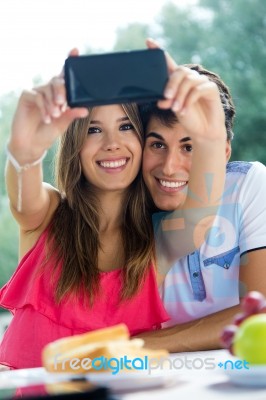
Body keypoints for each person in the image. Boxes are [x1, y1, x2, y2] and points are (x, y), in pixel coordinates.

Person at [0, 47, 227, 369]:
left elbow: (202, 209)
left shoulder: (161, 241)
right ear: (74, 145)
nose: (112, 143)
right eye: (94, 129)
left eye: (125, 127)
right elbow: (23, 196)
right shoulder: (46, 213)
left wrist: (211, 136)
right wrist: (23, 153)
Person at [136, 40, 266, 352]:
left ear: (221, 152)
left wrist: (137, 344)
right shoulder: (129, 210)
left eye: (189, 146)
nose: (169, 166)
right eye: (157, 144)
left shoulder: (249, 184)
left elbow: (259, 313)